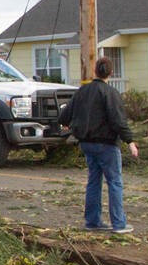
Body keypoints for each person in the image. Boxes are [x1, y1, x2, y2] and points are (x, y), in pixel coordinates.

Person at [58, 55, 139, 233]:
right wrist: (130, 141)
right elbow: (118, 121)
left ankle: (92, 222)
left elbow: (65, 113)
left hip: (86, 143)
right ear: (110, 72)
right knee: (114, 182)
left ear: (95, 71)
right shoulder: (110, 93)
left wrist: (65, 122)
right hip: (107, 145)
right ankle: (119, 224)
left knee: (94, 182)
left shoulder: (82, 91)